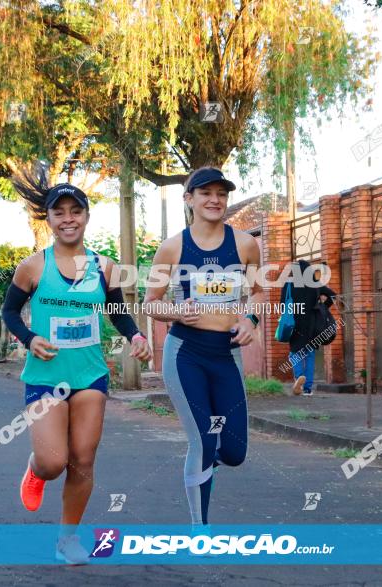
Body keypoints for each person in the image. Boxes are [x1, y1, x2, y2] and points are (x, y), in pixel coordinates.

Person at [2, 166, 152, 564]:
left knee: (83, 459)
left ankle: (67, 539)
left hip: (90, 375)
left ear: (86, 216)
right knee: (54, 462)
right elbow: (10, 312)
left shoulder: (104, 267)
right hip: (46, 376)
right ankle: (35, 470)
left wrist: (136, 335)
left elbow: (118, 312)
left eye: (75, 211)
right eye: (59, 212)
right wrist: (30, 338)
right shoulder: (33, 266)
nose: (68, 218)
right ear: (48, 220)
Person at [144, 166, 264, 533]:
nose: (215, 200)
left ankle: (209, 461)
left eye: (221, 193)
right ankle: (200, 528)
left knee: (234, 452)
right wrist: (177, 310)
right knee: (203, 441)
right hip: (186, 355)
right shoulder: (173, 247)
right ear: (189, 199)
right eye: (206, 193)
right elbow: (151, 302)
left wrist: (250, 321)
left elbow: (258, 292)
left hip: (226, 355)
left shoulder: (245, 244)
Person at [282, 260, 336, 396]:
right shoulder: (315, 284)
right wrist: (323, 307)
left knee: (295, 353)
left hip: (294, 323)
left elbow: (283, 304)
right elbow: (333, 295)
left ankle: (299, 377)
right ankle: (307, 389)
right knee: (310, 354)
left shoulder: (288, 284)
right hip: (313, 325)